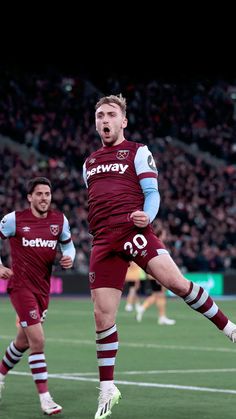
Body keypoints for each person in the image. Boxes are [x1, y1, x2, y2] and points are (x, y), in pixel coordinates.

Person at [83, 94, 236, 419]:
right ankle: (108, 388)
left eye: (110, 114)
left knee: (176, 283)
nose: (104, 120)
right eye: (99, 115)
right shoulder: (89, 163)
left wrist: (148, 216)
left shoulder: (138, 151)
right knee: (102, 317)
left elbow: (152, 193)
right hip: (102, 241)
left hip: (132, 230)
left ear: (123, 121)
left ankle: (230, 328)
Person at [0, 177, 75, 415]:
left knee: (23, 341)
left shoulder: (59, 220)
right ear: (29, 197)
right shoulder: (14, 219)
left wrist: (69, 257)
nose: (44, 198)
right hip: (21, 288)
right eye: (39, 194)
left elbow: (69, 245)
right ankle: (45, 398)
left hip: (43, 290)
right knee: (38, 341)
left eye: (47, 194)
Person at [136, 226, 176, 325]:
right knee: (160, 295)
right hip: (156, 275)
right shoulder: (157, 244)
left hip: (154, 275)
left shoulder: (154, 243)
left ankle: (159, 315)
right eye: (164, 234)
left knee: (158, 295)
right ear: (160, 235)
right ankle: (157, 315)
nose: (166, 236)